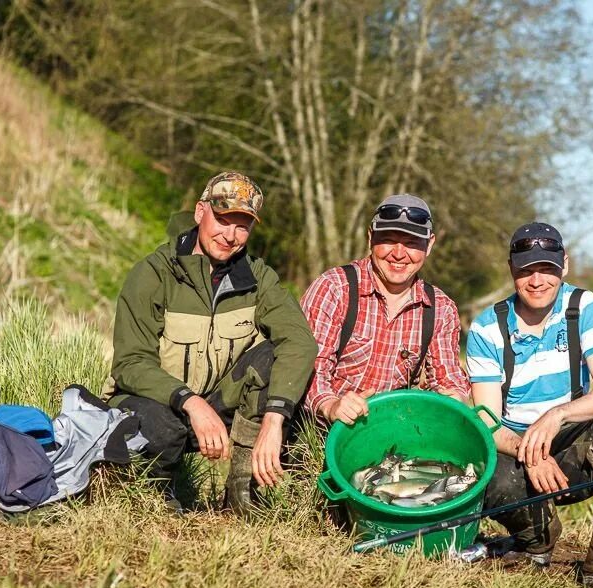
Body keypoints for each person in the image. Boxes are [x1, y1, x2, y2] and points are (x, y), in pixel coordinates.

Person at [102, 171, 319, 514]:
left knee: (276, 358)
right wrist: (191, 403)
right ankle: (154, 494)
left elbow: (300, 342)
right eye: (222, 219)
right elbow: (130, 364)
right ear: (201, 211)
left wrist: (275, 419)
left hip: (221, 404)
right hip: (156, 402)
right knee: (159, 427)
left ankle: (244, 495)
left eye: (242, 225)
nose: (230, 235)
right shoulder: (153, 274)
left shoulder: (259, 277)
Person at [466, 222, 593, 588]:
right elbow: (487, 421)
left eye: (547, 268)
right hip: (515, 452)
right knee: (483, 473)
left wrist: (556, 417)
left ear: (564, 265)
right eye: (526, 270)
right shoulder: (487, 327)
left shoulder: (582, 306)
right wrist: (530, 451)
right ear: (511, 269)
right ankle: (536, 540)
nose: (537, 280)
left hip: (571, 447)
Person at [299, 194, 469, 427]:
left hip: (392, 434)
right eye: (388, 240)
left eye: (411, 243)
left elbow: (448, 377)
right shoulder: (335, 288)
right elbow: (308, 368)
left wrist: (454, 396)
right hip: (321, 429)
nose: (399, 254)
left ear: (429, 245)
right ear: (370, 237)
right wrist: (331, 405)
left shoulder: (440, 308)